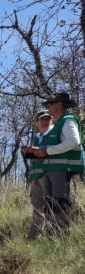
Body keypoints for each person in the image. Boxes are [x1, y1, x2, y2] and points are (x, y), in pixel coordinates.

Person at [23, 92, 83, 237]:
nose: (48, 108)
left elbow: (74, 141)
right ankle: (52, 235)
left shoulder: (67, 121)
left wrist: (47, 151)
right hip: (51, 169)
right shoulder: (59, 124)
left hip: (61, 169)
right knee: (51, 203)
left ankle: (60, 235)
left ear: (59, 104)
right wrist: (40, 154)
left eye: (50, 104)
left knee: (59, 201)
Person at [24, 110, 53, 239]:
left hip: (48, 174)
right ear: (37, 122)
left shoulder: (53, 134)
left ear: (51, 121)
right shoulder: (37, 137)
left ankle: (50, 233)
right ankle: (35, 233)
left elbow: (54, 151)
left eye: (47, 119)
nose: (44, 122)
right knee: (36, 205)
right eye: (42, 119)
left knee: (49, 205)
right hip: (35, 176)